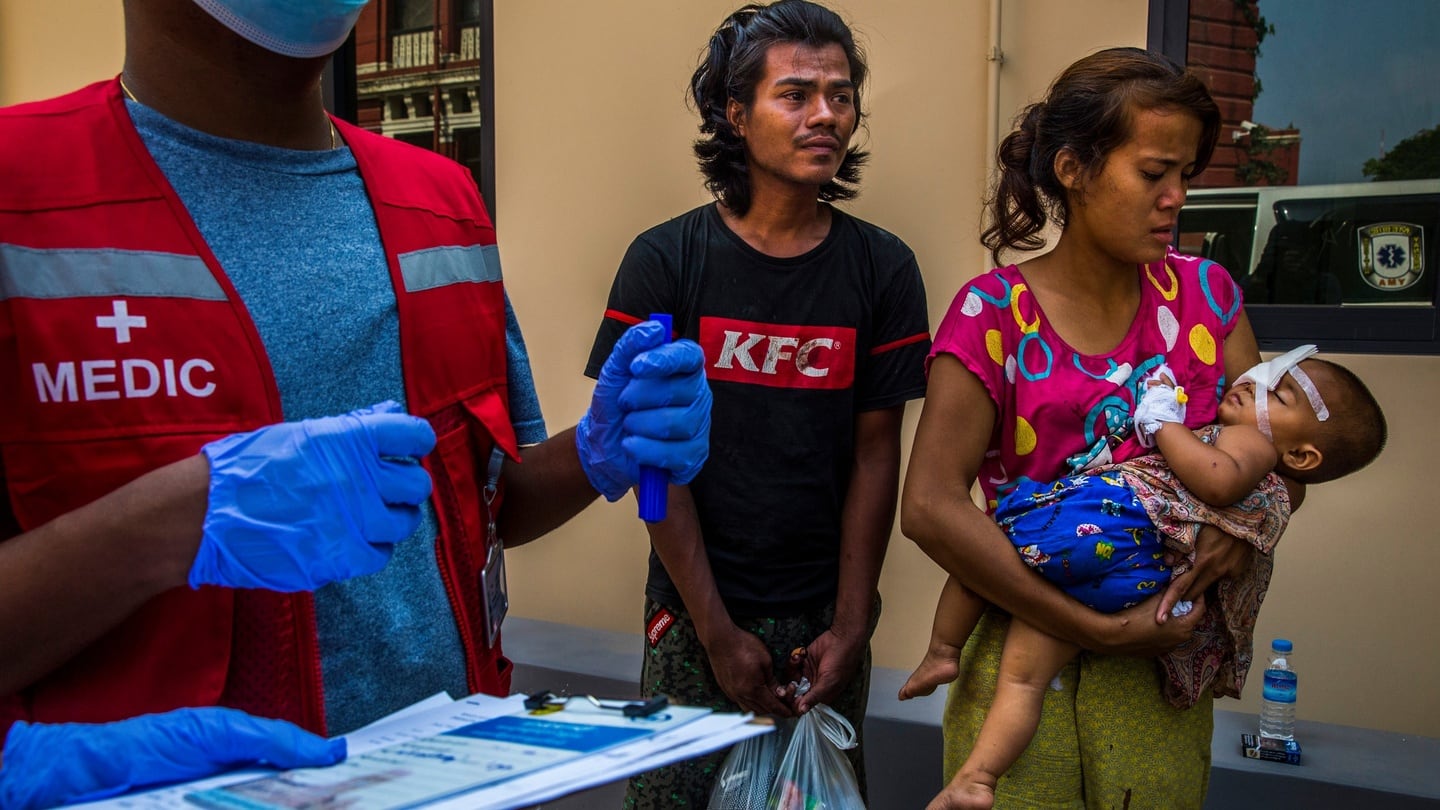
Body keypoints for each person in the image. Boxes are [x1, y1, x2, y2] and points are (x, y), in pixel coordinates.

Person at [0, 1, 711, 806]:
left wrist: (593, 453)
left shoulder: (442, 204)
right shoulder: (19, 196)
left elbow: (482, 510)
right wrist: (171, 522)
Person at [901, 47, 1280, 809]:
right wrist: (1090, 627)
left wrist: (1241, 526)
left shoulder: (1209, 297)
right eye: (1152, 174)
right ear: (1072, 169)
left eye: (1185, 175)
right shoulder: (991, 314)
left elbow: (1277, 449)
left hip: (1161, 678)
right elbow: (930, 507)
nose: (1175, 197)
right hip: (1018, 667)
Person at [583, 1, 930, 805]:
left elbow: (878, 452)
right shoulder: (666, 261)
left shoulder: (882, 270)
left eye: (841, 96)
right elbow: (650, 461)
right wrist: (713, 628)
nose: (826, 116)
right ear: (735, 115)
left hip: (823, 623)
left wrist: (852, 626)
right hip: (694, 610)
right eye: (796, 94)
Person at [902, 350, 1386, 808]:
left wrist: (1162, 420)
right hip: (1133, 577)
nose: (1254, 382)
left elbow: (1217, 480)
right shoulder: (1262, 450)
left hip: (1100, 528)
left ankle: (944, 657)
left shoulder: (1250, 442)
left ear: (1301, 455)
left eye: (1279, 395)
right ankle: (978, 778)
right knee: (1025, 681)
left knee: (988, 563)